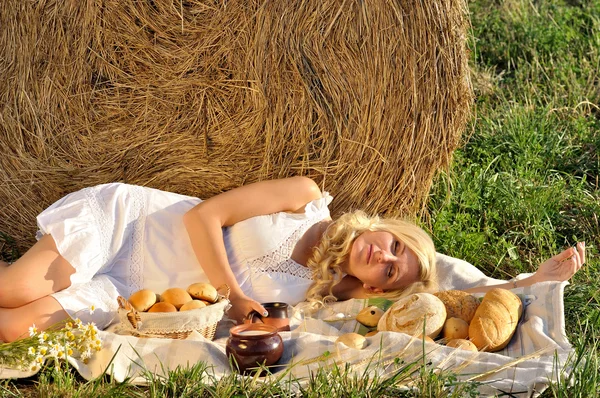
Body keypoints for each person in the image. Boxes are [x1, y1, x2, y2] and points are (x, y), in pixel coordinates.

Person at [0, 177, 585, 342]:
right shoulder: (305, 198)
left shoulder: (330, 297)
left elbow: (449, 287)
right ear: (389, 228)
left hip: (137, 297)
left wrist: (531, 281)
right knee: (12, 288)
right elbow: (200, 217)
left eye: (388, 271)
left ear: (372, 287)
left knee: (12, 327)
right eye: (396, 247)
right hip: (130, 229)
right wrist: (233, 294)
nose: (383, 257)